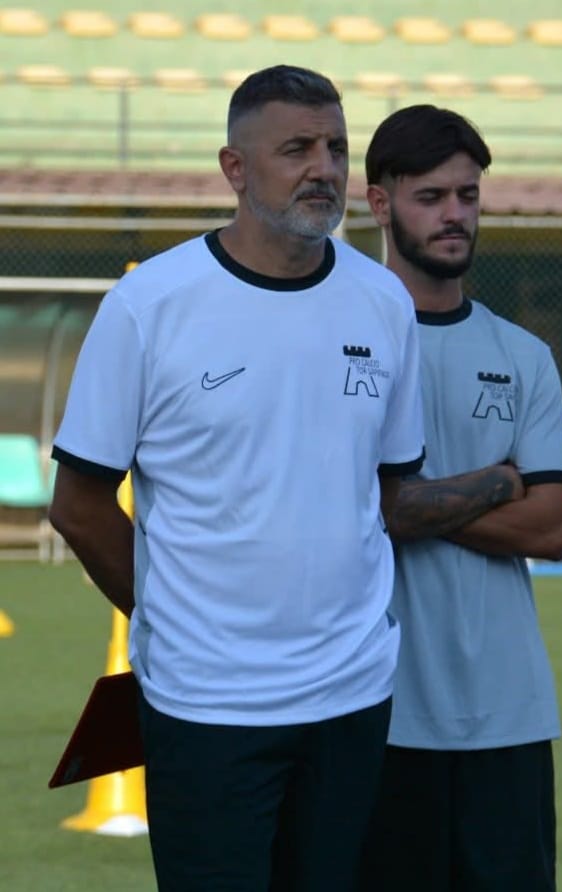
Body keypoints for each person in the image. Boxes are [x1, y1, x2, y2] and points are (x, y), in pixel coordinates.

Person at [48, 65, 425, 891]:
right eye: (296, 149)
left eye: (335, 148)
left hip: (350, 697)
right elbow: (78, 506)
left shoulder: (383, 301)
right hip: (205, 703)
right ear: (234, 167)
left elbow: (391, 489)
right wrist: (177, 618)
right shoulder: (149, 304)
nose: (323, 168)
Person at [358, 105, 562, 891]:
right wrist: (499, 481)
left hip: (507, 713)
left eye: (468, 195)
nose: (454, 214)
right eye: (430, 197)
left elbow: (551, 528)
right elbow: (359, 508)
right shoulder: (344, 341)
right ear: (380, 203)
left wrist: (408, 503)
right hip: (374, 711)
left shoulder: (522, 354)